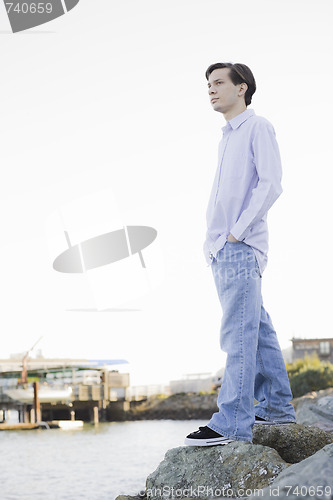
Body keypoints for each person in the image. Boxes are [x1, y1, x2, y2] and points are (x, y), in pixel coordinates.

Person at [184, 62, 296, 446]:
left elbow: (271, 183)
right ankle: (278, 407)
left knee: (237, 334)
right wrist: (216, 242)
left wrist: (237, 233)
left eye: (219, 83)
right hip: (221, 248)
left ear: (242, 88)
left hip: (239, 246)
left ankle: (232, 421)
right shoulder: (226, 136)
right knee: (258, 328)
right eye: (208, 84)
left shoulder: (258, 126)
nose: (211, 89)